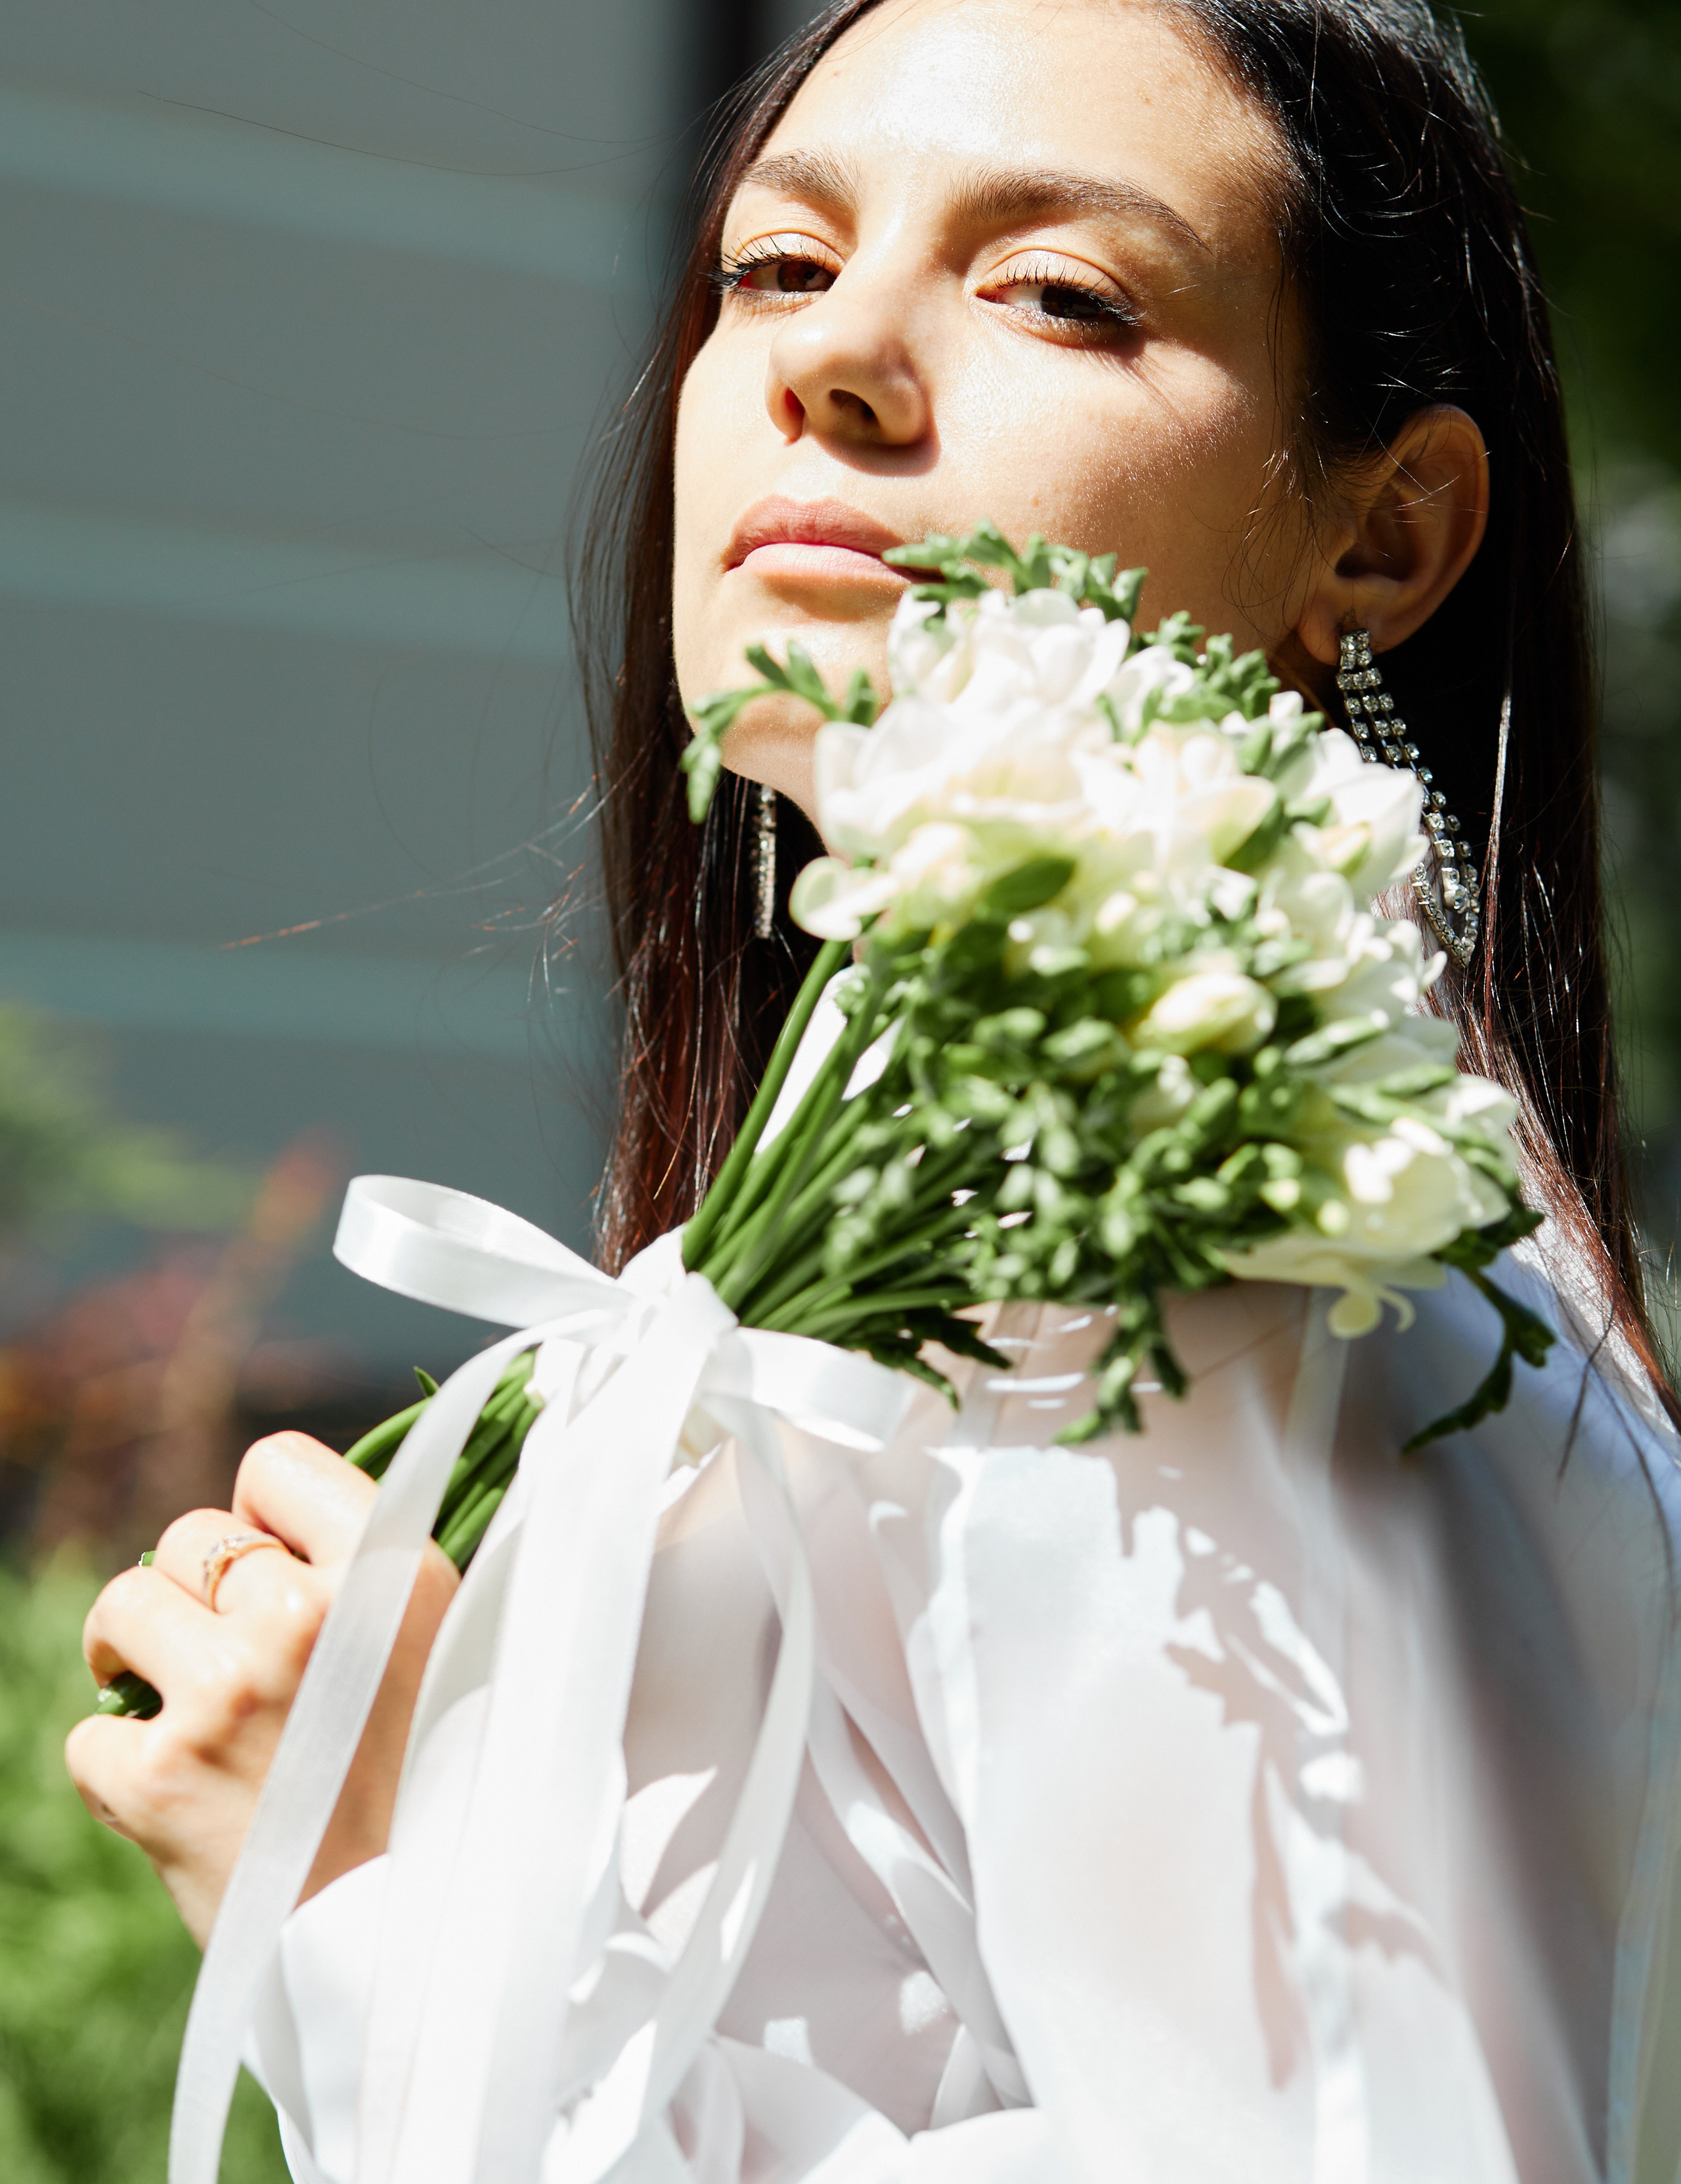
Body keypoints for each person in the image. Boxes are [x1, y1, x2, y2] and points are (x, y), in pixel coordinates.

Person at [64, 1, 1681, 2177]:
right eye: (775, 267)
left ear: (1381, 537)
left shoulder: (1240, 1266)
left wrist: (392, 1902)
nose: (832, 362)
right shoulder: (1009, 1189)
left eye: (1060, 295)